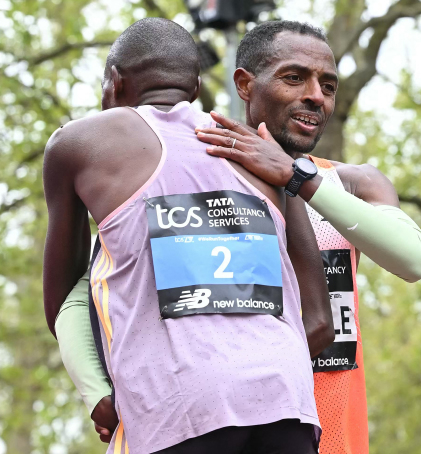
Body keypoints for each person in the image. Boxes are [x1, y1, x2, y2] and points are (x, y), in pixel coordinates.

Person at [60, 20, 421, 454]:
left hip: (328, 435)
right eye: (295, 78)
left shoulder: (352, 184)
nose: (315, 94)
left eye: (328, 85)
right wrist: (98, 391)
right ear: (245, 84)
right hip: (210, 425)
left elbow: (414, 260)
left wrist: (300, 179)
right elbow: (85, 290)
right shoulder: (181, 179)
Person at [44, 18, 332, 454]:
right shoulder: (263, 154)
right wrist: (254, 368)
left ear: (115, 84)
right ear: (195, 87)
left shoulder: (81, 142)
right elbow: (319, 323)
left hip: (175, 405)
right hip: (287, 404)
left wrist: (101, 392)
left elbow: (66, 299)